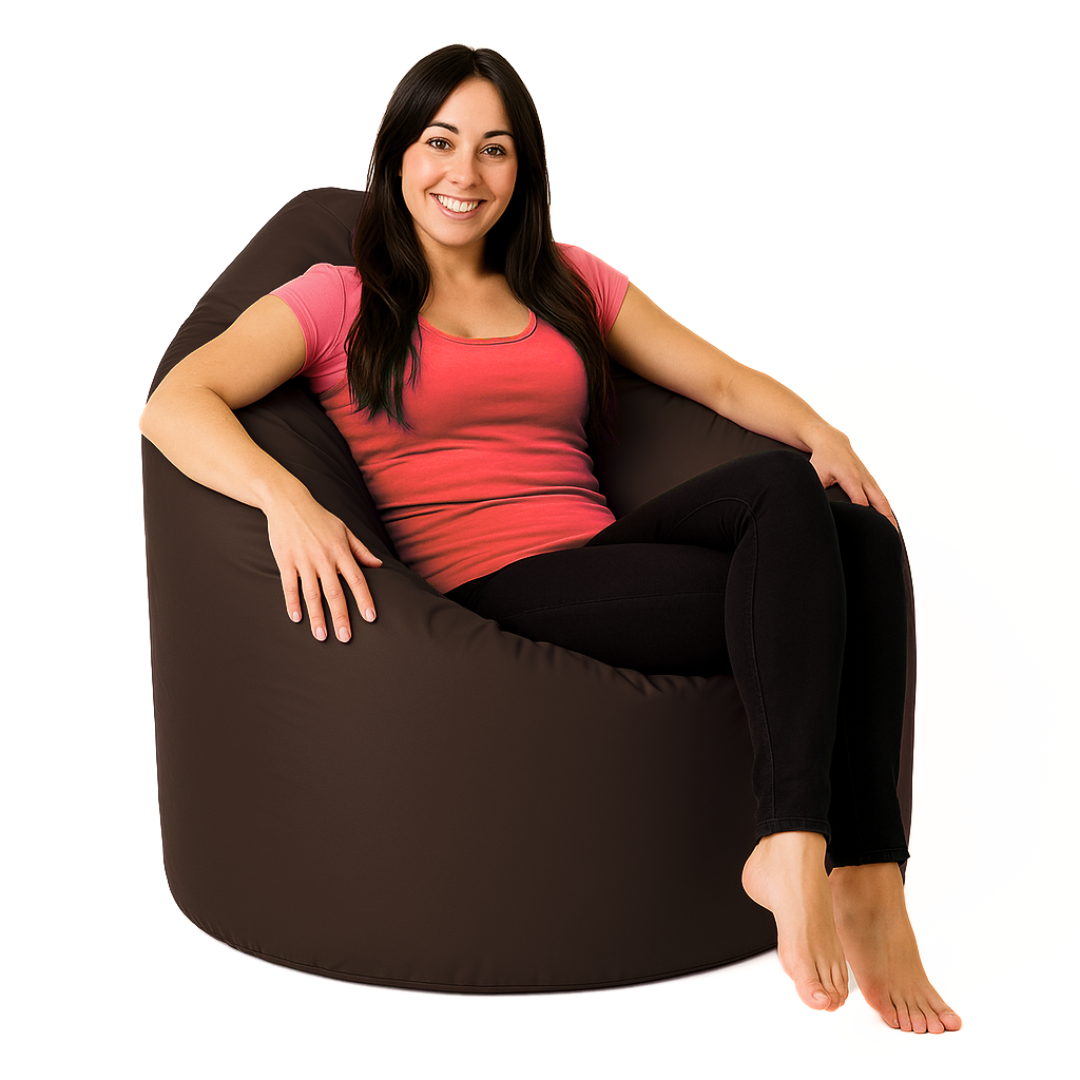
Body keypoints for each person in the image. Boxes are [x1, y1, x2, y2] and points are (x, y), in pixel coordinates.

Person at [139, 44, 960, 1033]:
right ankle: (795, 841)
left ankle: (868, 876)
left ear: (521, 168)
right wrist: (286, 500)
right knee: (810, 591)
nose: (465, 173)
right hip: (488, 590)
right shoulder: (337, 297)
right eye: (441, 142)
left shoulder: (568, 283)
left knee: (841, 527)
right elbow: (176, 402)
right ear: (398, 155)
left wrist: (826, 433)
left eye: (494, 149)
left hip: (603, 558)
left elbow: (720, 381)